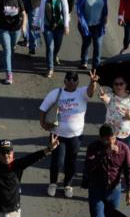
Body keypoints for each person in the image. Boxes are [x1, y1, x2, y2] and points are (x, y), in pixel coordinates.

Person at [39, 70, 99, 198]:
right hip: (57, 134)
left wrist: (93, 82)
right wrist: (43, 124)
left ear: (78, 82)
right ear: (64, 81)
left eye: (74, 80)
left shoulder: (82, 92)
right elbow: (43, 109)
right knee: (57, 161)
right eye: (69, 80)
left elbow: (91, 92)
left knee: (71, 161)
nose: (72, 82)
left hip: (76, 136)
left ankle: (68, 185)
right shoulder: (56, 93)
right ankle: (53, 184)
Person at [84, 124, 130, 217]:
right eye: (106, 139)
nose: (109, 141)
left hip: (114, 190)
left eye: (111, 138)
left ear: (115, 136)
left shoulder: (124, 149)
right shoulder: (93, 147)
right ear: (100, 138)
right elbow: (89, 166)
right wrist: (103, 154)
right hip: (97, 189)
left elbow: (129, 170)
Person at [34, 0, 71, 78]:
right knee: (50, 46)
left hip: (59, 26)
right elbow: (39, 11)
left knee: (57, 46)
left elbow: (66, 13)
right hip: (47, 27)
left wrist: (66, 26)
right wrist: (35, 23)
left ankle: (54, 56)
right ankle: (50, 68)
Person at [0, 0, 26, 84]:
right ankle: (9, 74)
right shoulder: (0, 1)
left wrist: (23, 26)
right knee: (7, 50)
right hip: (3, 29)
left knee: (11, 48)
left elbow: (24, 14)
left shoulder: (18, 1)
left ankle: (6, 61)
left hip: (16, 29)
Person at [99, 76, 130, 147]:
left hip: (126, 135)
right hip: (110, 134)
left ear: (126, 84)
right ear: (113, 85)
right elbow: (106, 98)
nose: (118, 86)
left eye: (121, 84)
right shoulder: (110, 95)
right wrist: (104, 98)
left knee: (123, 155)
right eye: (116, 84)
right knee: (109, 155)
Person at [77, 0, 108, 70]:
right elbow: (79, 11)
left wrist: (105, 18)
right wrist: (83, 24)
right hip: (85, 25)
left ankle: (96, 67)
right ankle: (84, 60)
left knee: (97, 45)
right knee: (86, 43)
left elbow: (105, 7)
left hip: (98, 25)